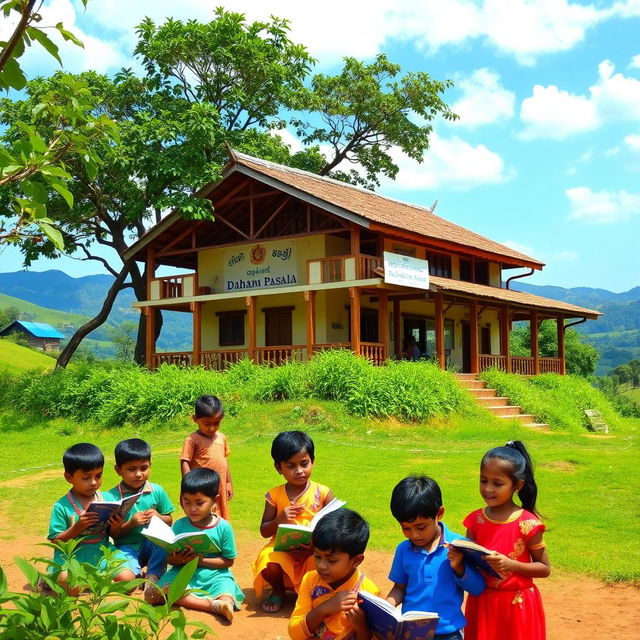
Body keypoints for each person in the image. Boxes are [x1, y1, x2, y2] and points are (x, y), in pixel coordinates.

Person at [462, 441, 550, 640]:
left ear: (517, 485)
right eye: (483, 480)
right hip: (482, 603)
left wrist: (511, 565)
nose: (488, 489)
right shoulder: (475, 520)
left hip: (517, 607)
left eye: (497, 483)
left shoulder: (528, 523)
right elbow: (470, 563)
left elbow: (544, 568)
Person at [386, 475, 484, 640]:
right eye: (406, 528)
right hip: (411, 633)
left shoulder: (460, 547)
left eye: (421, 527)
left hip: (449, 634)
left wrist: (458, 566)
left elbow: (477, 588)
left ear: (440, 513)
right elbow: (399, 588)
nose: (414, 535)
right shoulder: (403, 549)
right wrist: (388, 605)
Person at [145, 468, 244, 621]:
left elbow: (228, 561)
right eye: (187, 502)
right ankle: (212, 606)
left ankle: (223, 604)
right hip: (183, 572)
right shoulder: (179, 525)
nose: (192, 508)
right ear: (181, 500)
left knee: (226, 593)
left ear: (215, 501)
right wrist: (180, 559)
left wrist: (199, 561)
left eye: (199, 503)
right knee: (155, 594)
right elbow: (170, 559)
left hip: (215, 576)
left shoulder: (223, 527)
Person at [252, 430, 335, 613]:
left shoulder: (323, 493)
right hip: (283, 550)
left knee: (326, 562)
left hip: (314, 550)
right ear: (278, 468)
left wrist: (315, 543)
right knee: (267, 559)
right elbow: (264, 531)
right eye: (291, 466)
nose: (299, 471)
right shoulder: (274, 495)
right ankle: (278, 590)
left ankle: (314, 593)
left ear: (312, 460)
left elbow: (337, 527)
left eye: (304, 464)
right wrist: (280, 519)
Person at [47, 443, 134, 593]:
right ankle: (94, 583)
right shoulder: (62, 506)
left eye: (98, 475)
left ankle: (90, 583)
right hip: (72, 558)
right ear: (69, 477)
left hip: (101, 553)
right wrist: (77, 527)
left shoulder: (106, 498)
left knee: (129, 579)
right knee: (69, 585)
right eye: (86, 478)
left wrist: (116, 525)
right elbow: (56, 542)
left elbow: (113, 535)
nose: (94, 482)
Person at [288, 508, 379, 640]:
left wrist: (361, 627)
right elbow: (295, 634)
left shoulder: (369, 593)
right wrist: (324, 609)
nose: (321, 565)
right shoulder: (310, 580)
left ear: (357, 560)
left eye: (332, 560)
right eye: (317, 556)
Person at [106, 438, 175, 589]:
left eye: (144, 468)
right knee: (128, 583)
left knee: (163, 543)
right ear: (118, 470)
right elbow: (113, 535)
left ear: (150, 465)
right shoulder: (111, 497)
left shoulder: (157, 491)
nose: (138, 474)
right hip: (126, 546)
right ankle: (137, 576)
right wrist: (131, 523)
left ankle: (154, 574)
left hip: (152, 544)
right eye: (131, 469)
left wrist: (158, 516)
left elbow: (169, 520)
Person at [180, 395, 233, 520]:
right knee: (201, 515)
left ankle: (219, 536)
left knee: (220, 514)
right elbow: (185, 461)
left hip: (219, 485)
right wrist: (188, 485)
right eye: (207, 424)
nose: (212, 428)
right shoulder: (192, 440)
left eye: (216, 423)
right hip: (201, 486)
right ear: (195, 419)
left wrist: (229, 482)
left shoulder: (221, 437)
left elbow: (224, 461)